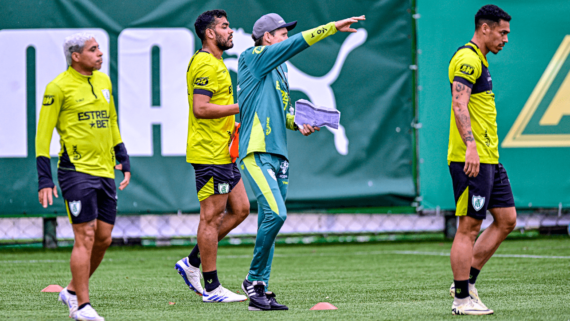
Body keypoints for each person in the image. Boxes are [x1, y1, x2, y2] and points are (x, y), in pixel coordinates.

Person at [237, 13, 365, 311]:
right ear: (267, 37)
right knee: (277, 215)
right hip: (256, 152)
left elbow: (283, 113)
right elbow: (297, 44)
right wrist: (333, 26)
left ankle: (260, 290)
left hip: (278, 154)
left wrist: (301, 122)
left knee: (269, 220)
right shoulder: (252, 56)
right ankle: (252, 278)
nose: (285, 37)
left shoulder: (278, 70)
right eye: (281, 33)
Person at [36, 32, 131, 321]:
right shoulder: (58, 87)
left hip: (105, 171)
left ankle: (71, 290)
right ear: (76, 56)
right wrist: (44, 178)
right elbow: (43, 134)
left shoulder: (103, 81)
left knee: (103, 238)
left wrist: (123, 157)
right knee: (85, 235)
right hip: (75, 172)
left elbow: (111, 120)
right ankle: (81, 305)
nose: (100, 53)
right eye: (93, 49)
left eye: (100, 48)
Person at [174, 9, 249, 303]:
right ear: (210, 33)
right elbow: (201, 109)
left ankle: (191, 262)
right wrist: (239, 108)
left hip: (223, 152)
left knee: (241, 209)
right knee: (211, 217)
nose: (230, 31)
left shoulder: (217, 63)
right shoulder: (205, 64)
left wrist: (233, 121)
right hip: (209, 155)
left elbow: (214, 109)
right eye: (225, 27)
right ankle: (212, 288)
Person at [447, 4, 516, 315]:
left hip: (490, 157)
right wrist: (471, 147)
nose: (505, 39)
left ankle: (467, 281)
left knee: (506, 220)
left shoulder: (482, 61)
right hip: (471, 158)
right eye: (502, 32)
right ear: (485, 28)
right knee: (469, 226)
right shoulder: (467, 58)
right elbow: (458, 105)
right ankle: (461, 299)